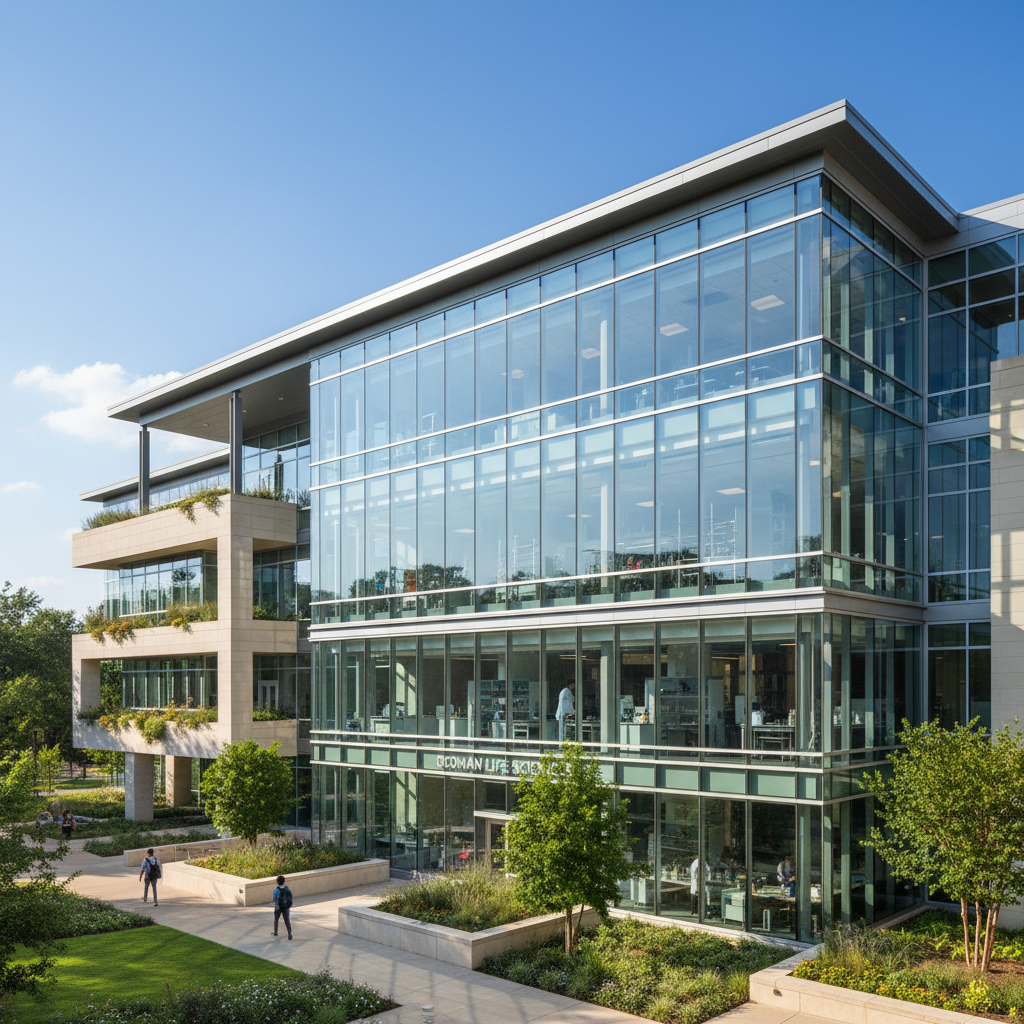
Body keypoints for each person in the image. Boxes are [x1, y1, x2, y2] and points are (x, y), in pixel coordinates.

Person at [272, 875, 293, 939]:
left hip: (278, 907)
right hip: (286, 907)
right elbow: (290, 896)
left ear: (277, 882)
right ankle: (289, 934)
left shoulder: (276, 890)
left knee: (276, 919)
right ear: (284, 881)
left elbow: (274, 899)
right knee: (287, 920)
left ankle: (275, 932)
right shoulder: (287, 889)